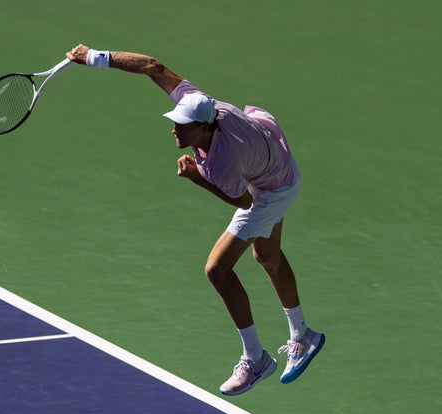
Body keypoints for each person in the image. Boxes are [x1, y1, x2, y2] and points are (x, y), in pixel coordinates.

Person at [66, 44, 325, 396]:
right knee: (267, 256)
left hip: (271, 187)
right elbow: (153, 67)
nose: (175, 131)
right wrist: (95, 56)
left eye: (183, 128)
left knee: (217, 270)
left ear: (204, 129)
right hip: (273, 158)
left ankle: (255, 359)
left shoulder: (223, 160)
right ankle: (303, 335)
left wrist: (197, 178)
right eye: (175, 122)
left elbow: (244, 200)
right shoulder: (201, 104)